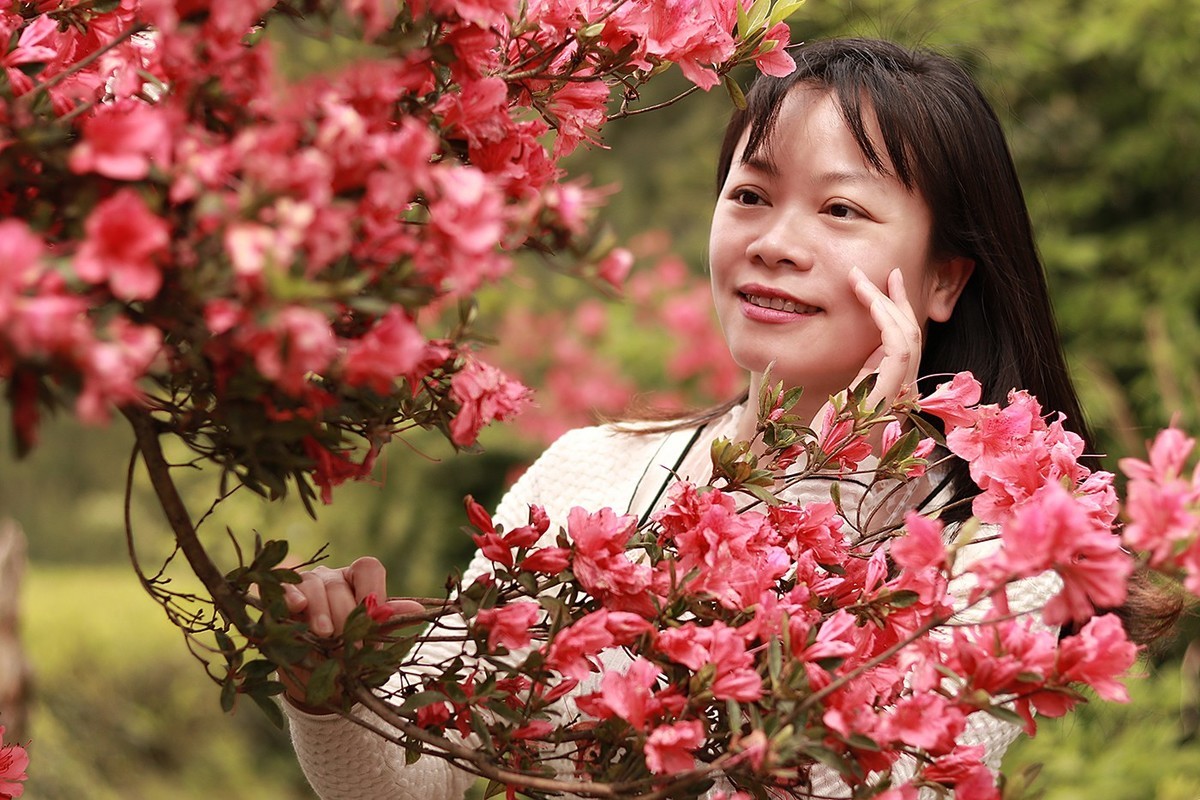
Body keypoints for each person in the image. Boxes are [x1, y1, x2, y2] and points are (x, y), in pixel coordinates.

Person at [279, 37, 1116, 798]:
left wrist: (843, 475)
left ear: (945, 281)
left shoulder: (1001, 555)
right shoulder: (587, 472)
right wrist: (326, 686)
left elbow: (852, 781)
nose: (776, 242)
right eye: (750, 194)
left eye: (841, 210)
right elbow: (423, 778)